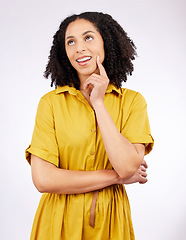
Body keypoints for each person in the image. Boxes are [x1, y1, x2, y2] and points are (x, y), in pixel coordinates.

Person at [25, 11, 154, 240]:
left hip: (111, 221)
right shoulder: (51, 103)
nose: (79, 48)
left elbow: (127, 166)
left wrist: (99, 104)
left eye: (88, 38)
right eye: (71, 41)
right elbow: (43, 180)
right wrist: (116, 177)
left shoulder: (133, 102)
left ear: (107, 41)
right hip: (58, 221)